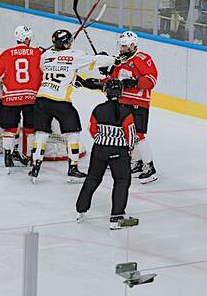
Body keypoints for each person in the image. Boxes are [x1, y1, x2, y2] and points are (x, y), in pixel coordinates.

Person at [28, 29, 117, 183]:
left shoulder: (45, 56)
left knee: (41, 134)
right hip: (60, 101)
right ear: (67, 43)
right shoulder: (75, 55)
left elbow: (45, 66)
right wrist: (114, 60)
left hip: (41, 99)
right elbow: (95, 60)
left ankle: (35, 168)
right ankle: (73, 168)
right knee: (73, 133)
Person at [76, 79, 137, 229]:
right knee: (122, 181)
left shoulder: (98, 109)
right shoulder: (126, 111)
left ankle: (80, 209)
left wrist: (102, 141)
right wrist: (128, 149)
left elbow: (92, 130)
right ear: (121, 92)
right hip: (119, 152)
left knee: (93, 178)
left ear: (106, 92)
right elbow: (131, 136)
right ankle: (116, 218)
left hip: (99, 149)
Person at [101, 31, 158, 184]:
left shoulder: (142, 58)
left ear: (133, 45)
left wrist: (135, 82)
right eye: (120, 46)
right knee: (129, 135)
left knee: (138, 136)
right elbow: (113, 80)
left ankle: (150, 168)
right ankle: (138, 163)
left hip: (138, 103)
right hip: (123, 101)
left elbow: (151, 80)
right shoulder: (119, 60)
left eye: (124, 46)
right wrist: (105, 72)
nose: (121, 49)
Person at [0, 26, 43, 171]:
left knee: (10, 128)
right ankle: (30, 156)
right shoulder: (37, 53)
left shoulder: (7, 54)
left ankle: (8, 157)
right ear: (28, 39)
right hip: (32, 98)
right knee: (30, 128)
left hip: (11, 99)